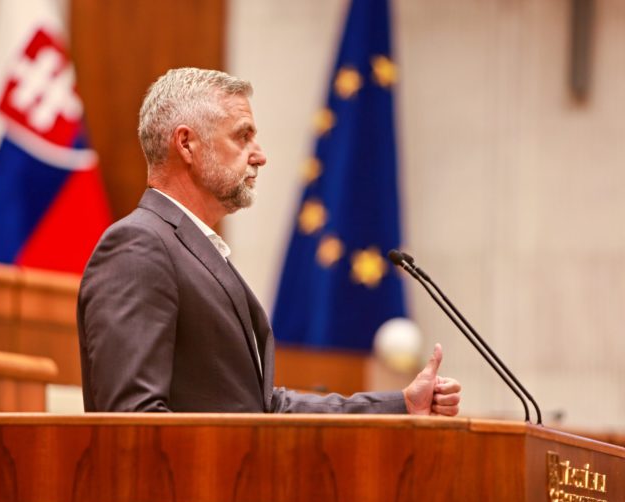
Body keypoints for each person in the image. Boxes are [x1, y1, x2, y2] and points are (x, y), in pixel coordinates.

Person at [77, 67, 461, 415]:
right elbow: (131, 424)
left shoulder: (193, 248)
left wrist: (401, 404)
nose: (259, 156)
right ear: (187, 144)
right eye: (242, 136)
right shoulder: (138, 247)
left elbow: (263, 408)